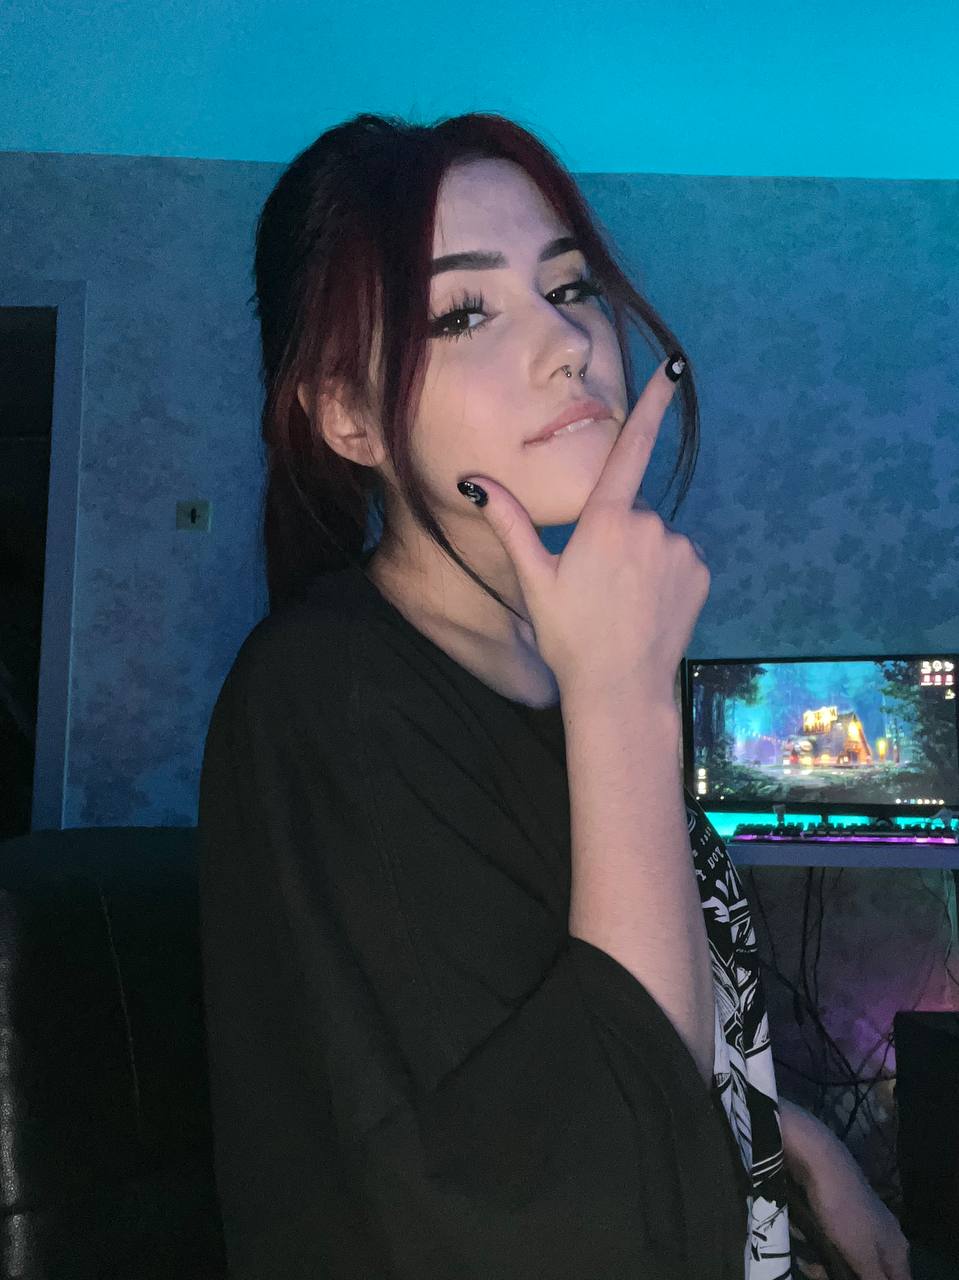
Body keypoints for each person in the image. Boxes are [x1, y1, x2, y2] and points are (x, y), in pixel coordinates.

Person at [198, 111, 840, 1279]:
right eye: (463, 312)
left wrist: (792, 1137)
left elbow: (629, 1006)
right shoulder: (328, 697)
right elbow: (576, 1207)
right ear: (348, 414)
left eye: (569, 286)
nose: (567, 343)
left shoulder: (560, 667)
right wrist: (625, 700)